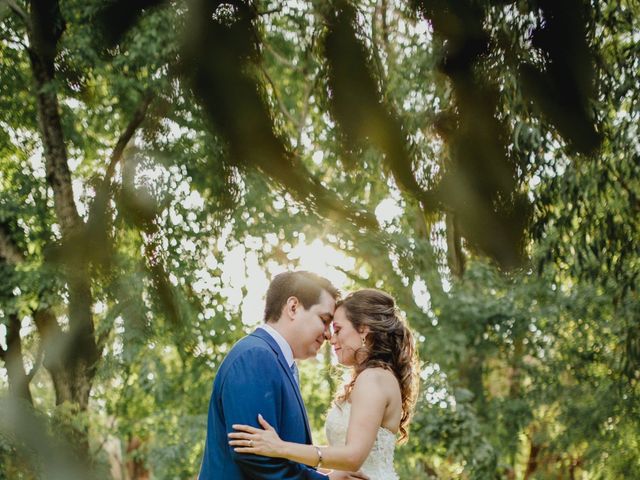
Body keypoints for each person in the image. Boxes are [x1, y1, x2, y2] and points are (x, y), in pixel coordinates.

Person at [229, 289, 419, 479]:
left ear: (363, 329)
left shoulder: (373, 378)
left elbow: (353, 457)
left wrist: (280, 447)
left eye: (338, 329)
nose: (331, 339)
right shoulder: (374, 377)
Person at [199, 271, 369, 479]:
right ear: (293, 307)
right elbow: (255, 457)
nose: (328, 334)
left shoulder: (278, 362)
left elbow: (280, 452)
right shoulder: (256, 356)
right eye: (324, 320)